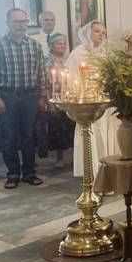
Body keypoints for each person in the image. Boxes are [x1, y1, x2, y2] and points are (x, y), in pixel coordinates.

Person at [0, 8, 49, 189]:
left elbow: (42, 72)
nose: (21, 25)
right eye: (17, 22)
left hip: (30, 95)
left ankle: (29, 171)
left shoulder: (34, 45)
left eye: (24, 22)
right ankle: (13, 173)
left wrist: (43, 95)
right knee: (9, 136)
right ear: (8, 23)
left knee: (29, 136)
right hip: (8, 96)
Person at [65, 21, 120, 178]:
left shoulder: (108, 53)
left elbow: (115, 74)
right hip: (88, 101)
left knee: (109, 132)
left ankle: (111, 173)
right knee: (92, 133)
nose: (101, 34)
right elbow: (72, 78)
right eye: (97, 31)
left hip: (106, 101)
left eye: (103, 32)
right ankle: (93, 173)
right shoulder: (77, 53)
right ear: (88, 33)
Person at [44, 34, 75, 168]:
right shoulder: (47, 60)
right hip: (55, 97)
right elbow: (45, 83)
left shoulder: (70, 58)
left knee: (73, 126)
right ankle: (59, 156)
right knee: (57, 127)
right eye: (59, 43)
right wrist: (49, 102)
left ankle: (75, 155)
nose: (62, 46)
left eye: (64, 43)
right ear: (51, 45)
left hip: (71, 97)